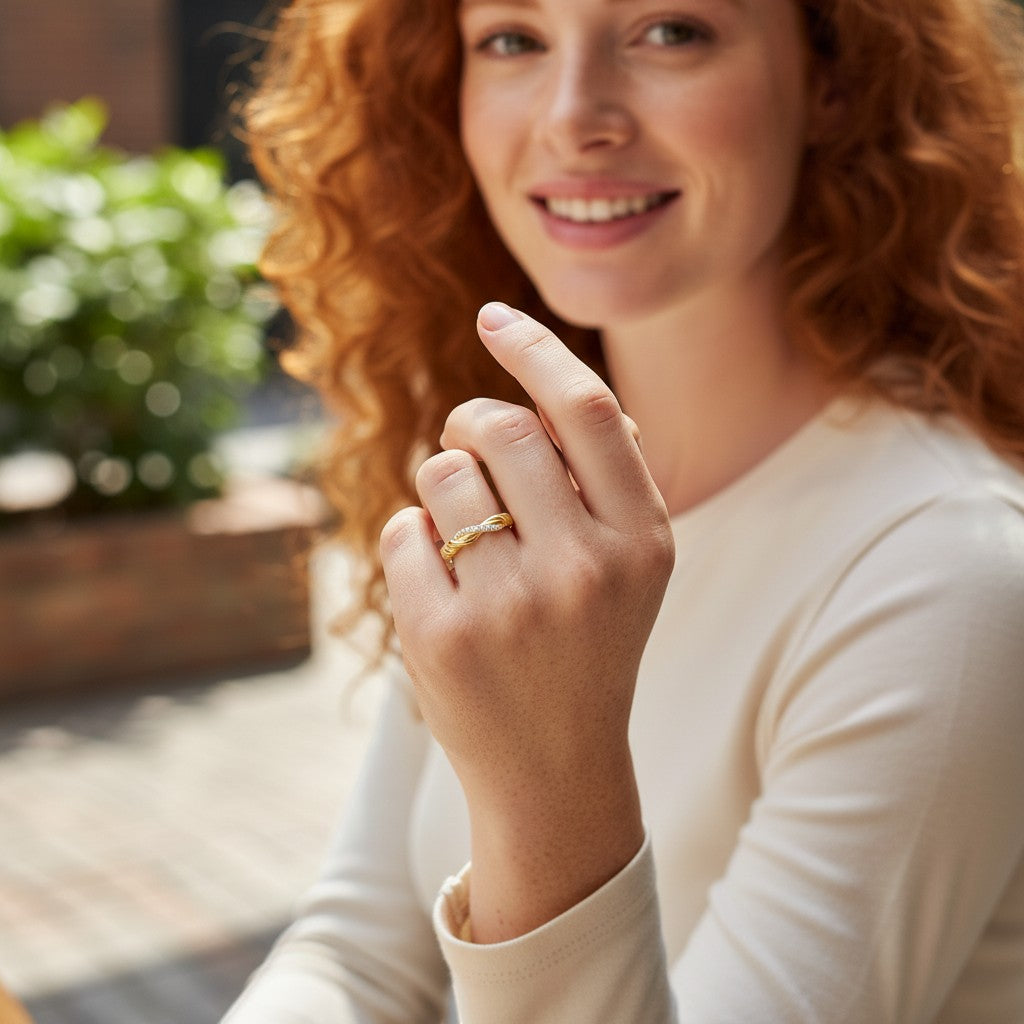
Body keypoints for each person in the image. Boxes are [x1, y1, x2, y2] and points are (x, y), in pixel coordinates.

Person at [223, 0, 1024, 1020]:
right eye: (513, 39)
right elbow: (357, 957)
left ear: (831, 77)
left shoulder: (950, 573)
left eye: (670, 31)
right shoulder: (504, 478)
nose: (573, 114)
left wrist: (546, 794)